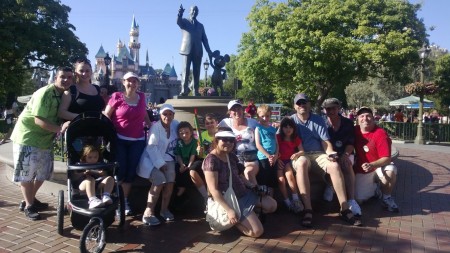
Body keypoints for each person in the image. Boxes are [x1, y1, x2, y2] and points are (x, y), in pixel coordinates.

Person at [11, 66, 73, 220]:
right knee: (26, 174)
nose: (66, 80)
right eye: (62, 76)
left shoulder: (62, 94)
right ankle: (29, 206)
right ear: (55, 78)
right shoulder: (45, 92)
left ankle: (29, 198)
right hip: (28, 137)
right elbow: (38, 120)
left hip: (45, 140)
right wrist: (60, 129)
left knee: (43, 173)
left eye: (69, 77)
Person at [290, 93, 359, 227]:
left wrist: (330, 153)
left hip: (318, 154)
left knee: (334, 166)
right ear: (295, 106)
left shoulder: (318, 120)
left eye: (304, 102)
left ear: (309, 104)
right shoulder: (290, 121)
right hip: (300, 155)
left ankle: (344, 208)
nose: (302, 105)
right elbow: (280, 139)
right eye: (299, 103)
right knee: (302, 162)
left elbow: (325, 141)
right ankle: (308, 209)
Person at [203, 127, 277, 237]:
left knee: (272, 205)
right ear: (216, 140)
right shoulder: (211, 161)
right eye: (224, 139)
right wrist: (229, 210)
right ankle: (235, 221)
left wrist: (253, 186)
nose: (228, 143)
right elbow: (214, 190)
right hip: (230, 200)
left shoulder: (231, 155)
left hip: (243, 192)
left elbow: (240, 176)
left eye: (231, 140)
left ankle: (249, 214)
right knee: (257, 232)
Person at [104, 72, 152, 215]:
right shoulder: (116, 97)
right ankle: (117, 201)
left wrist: (151, 126)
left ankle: (123, 202)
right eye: (129, 81)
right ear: (123, 82)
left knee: (131, 172)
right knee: (121, 170)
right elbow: (107, 115)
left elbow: (144, 112)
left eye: (134, 81)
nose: (132, 83)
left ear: (138, 83)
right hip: (119, 139)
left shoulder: (142, 97)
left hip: (137, 140)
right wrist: (108, 132)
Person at [137, 104, 179, 226]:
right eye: (165, 114)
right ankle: (148, 212)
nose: (167, 116)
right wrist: (160, 164)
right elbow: (151, 147)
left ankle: (164, 210)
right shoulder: (155, 128)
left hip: (169, 158)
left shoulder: (175, 124)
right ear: (160, 115)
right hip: (151, 160)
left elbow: (183, 132)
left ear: (173, 115)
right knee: (160, 180)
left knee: (170, 181)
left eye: (170, 114)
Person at [354, 107, 399, 212]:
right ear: (358, 119)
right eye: (362, 116)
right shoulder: (355, 131)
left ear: (373, 118)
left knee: (391, 170)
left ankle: (386, 197)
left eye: (368, 116)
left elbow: (387, 158)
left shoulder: (380, 133)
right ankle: (376, 189)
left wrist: (372, 165)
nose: (365, 118)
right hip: (363, 170)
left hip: (379, 166)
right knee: (359, 199)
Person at [322, 98, 362, 217]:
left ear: (339, 108)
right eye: (328, 108)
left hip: (345, 152)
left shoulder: (347, 123)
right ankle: (330, 185)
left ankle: (351, 200)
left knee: (347, 164)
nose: (331, 111)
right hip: (328, 153)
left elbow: (351, 143)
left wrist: (345, 155)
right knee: (333, 164)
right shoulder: (322, 122)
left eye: (333, 108)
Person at [219, 100, 259, 185]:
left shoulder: (252, 122)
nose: (237, 112)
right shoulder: (225, 122)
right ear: (230, 112)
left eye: (239, 109)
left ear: (243, 110)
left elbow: (264, 131)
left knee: (249, 173)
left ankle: (258, 195)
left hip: (250, 156)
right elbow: (215, 133)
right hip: (234, 157)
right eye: (234, 110)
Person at [177, 5, 212, 96]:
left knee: (197, 72)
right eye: (192, 11)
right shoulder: (184, 22)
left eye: (196, 11)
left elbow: (205, 40)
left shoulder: (201, 26)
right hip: (186, 50)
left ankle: (195, 91)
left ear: (197, 13)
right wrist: (180, 14)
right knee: (185, 71)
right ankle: (184, 91)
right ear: (189, 11)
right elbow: (178, 22)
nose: (194, 12)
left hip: (197, 51)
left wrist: (209, 51)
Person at [276, 117, 304, 213]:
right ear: (281, 128)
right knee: (281, 180)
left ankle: (295, 199)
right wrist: (277, 158)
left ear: (293, 128)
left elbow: (302, 150)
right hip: (279, 160)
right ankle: (287, 202)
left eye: (290, 127)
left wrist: (297, 154)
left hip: (288, 161)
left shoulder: (295, 138)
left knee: (290, 175)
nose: (288, 129)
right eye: (285, 127)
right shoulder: (278, 137)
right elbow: (274, 149)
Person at [74, 145, 114, 209]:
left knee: (110, 178)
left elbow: (104, 174)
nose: (93, 159)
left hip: (97, 184)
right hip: (83, 185)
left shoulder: (99, 165)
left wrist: (99, 173)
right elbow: (74, 177)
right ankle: (92, 200)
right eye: (90, 157)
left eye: (95, 157)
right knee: (90, 179)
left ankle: (106, 195)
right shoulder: (80, 165)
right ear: (85, 157)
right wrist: (84, 173)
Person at [174, 121, 203, 200]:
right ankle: (180, 186)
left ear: (191, 132)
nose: (184, 135)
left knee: (188, 171)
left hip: (191, 160)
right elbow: (178, 154)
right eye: (181, 133)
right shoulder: (179, 142)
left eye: (187, 133)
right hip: (182, 161)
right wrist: (181, 164)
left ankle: (183, 187)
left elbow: (193, 154)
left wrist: (189, 165)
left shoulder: (194, 142)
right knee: (177, 170)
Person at [254, 104, 278, 190]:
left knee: (272, 181)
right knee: (264, 179)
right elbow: (258, 145)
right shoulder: (258, 128)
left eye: (267, 116)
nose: (265, 118)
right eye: (262, 116)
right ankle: (263, 200)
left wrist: (276, 155)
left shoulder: (273, 129)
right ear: (258, 116)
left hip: (274, 158)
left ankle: (272, 201)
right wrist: (268, 156)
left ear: (270, 115)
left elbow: (276, 144)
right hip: (263, 158)